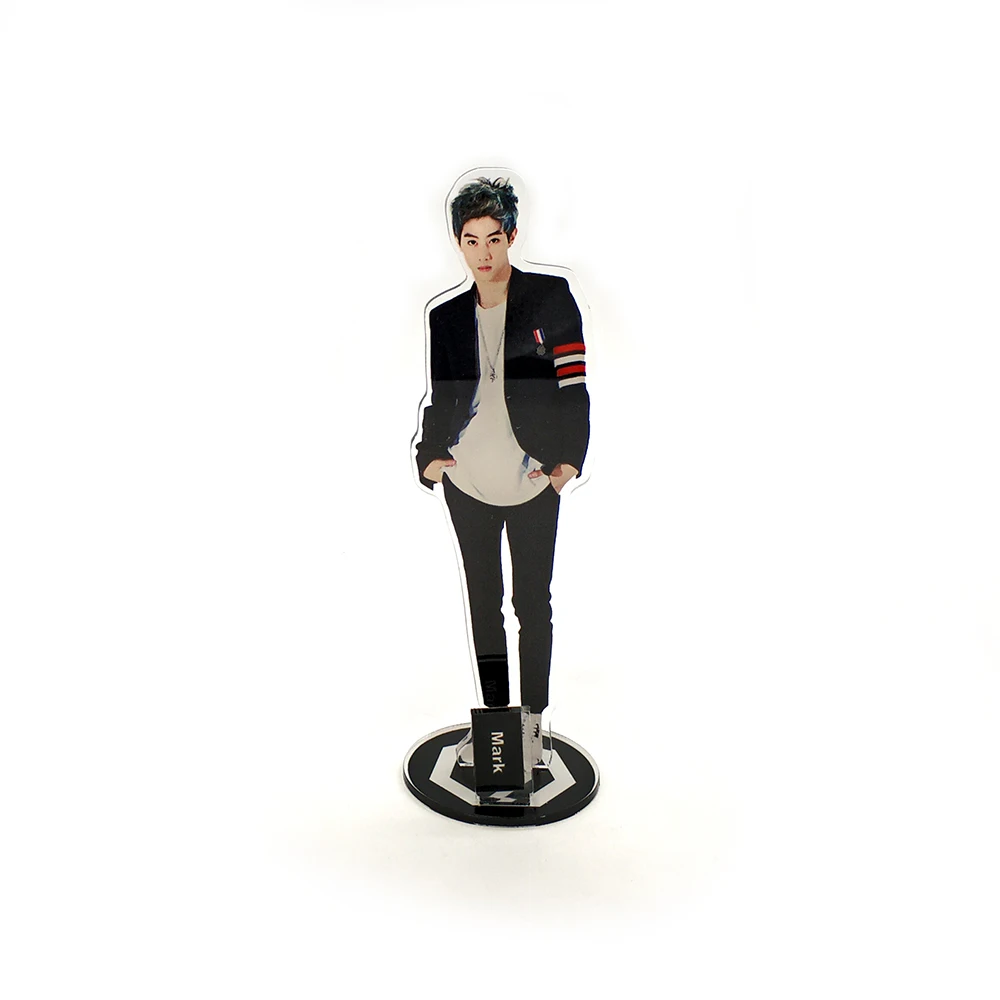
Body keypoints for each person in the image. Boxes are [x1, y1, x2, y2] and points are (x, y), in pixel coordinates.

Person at [414, 176, 590, 762]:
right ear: (458, 243)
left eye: (493, 239)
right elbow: (442, 398)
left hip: (533, 479)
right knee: (483, 603)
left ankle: (533, 725)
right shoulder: (446, 318)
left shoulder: (550, 298)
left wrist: (568, 463)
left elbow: (574, 386)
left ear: (511, 236)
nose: (483, 253)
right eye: (471, 241)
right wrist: (429, 459)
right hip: (466, 482)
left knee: (531, 604)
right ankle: (495, 722)